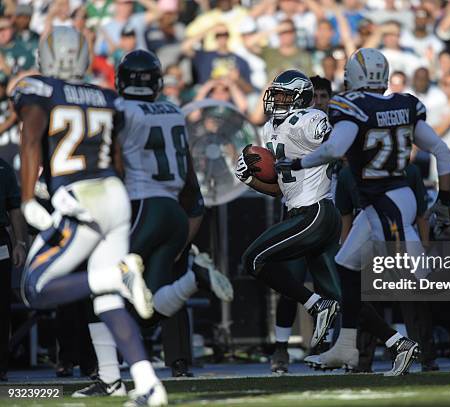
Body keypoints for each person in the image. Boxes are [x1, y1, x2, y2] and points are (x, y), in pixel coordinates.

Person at [11, 27, 167, 405]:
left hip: (79, 198)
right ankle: (149, 385)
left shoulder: (39, 89)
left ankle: (119, 273)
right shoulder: (106, 96)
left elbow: (31, 139)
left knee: (35, 287)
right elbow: (116, 159)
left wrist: (29, 197)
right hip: (114, 193)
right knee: (107, 299)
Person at [276, 48, 450, 375]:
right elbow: (442, 150)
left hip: (386, 203)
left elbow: (334, 149)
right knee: (345, 267)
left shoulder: (351, 106)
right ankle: (346, 349)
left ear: (353, 76)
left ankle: (417, 350)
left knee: (415, 279)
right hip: (390, 200)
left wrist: (297, 162)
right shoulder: (404, 103)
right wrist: (446, 199)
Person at [74, 50, 231, 397]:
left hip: (141, 207)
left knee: (96, 287)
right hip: (173, 212)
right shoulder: (173, 111)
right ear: (157, 82)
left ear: (121, 80)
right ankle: (193, 280)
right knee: (150, 310)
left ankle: (110, 378)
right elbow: (190, 178)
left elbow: (113, 164)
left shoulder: (121, 110)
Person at [235, 70, 341, 354]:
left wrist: (313, 160)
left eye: (283, 95)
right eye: (275, 94)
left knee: (254, 259)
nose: (275, 100)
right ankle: (397, 342)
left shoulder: (311, 119)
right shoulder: (270, 129)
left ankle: (317, 308)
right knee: (340, 292)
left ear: (299, 99)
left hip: (316, 211)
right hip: (298, 211)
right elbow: (280, 189)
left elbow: (337, 148)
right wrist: (251, 180)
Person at [268, 75, 338, 374]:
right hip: (296, 210)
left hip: (324, 210)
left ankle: (330, 346)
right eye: (317, 95)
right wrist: (254, 177)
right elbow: (279, 180)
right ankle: (281, 348)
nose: (320, 101)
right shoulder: (275, 125)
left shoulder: (320, 122)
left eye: (324, 96)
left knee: (332, 287)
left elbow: (339, 154)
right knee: (291, 283)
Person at [0, 158, 27, 382]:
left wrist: (20, 243)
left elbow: (15, 209)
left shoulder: (3, 167)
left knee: (1, 305)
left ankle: (1, 366)